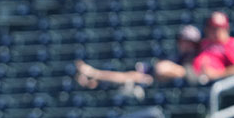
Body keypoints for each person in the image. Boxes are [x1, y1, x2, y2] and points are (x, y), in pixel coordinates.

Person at [75, 24, 203, 89]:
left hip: (152, 80)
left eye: (189, 42)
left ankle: (94, 74)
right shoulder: (178, 56)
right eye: (183, 41)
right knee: (127, 73)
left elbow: (173, 71)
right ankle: (95, 78)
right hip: (149, 75)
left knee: (131, 77)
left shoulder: (194, 58)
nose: (184, 45)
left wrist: (166, 69)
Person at [191, 11, 234, 81]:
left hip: (217, 85)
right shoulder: (204, 43)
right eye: (211, 28)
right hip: (195, 79)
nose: (213, 31)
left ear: (226, 29)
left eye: (217, 28)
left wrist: (216, 74)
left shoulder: (233, 44)